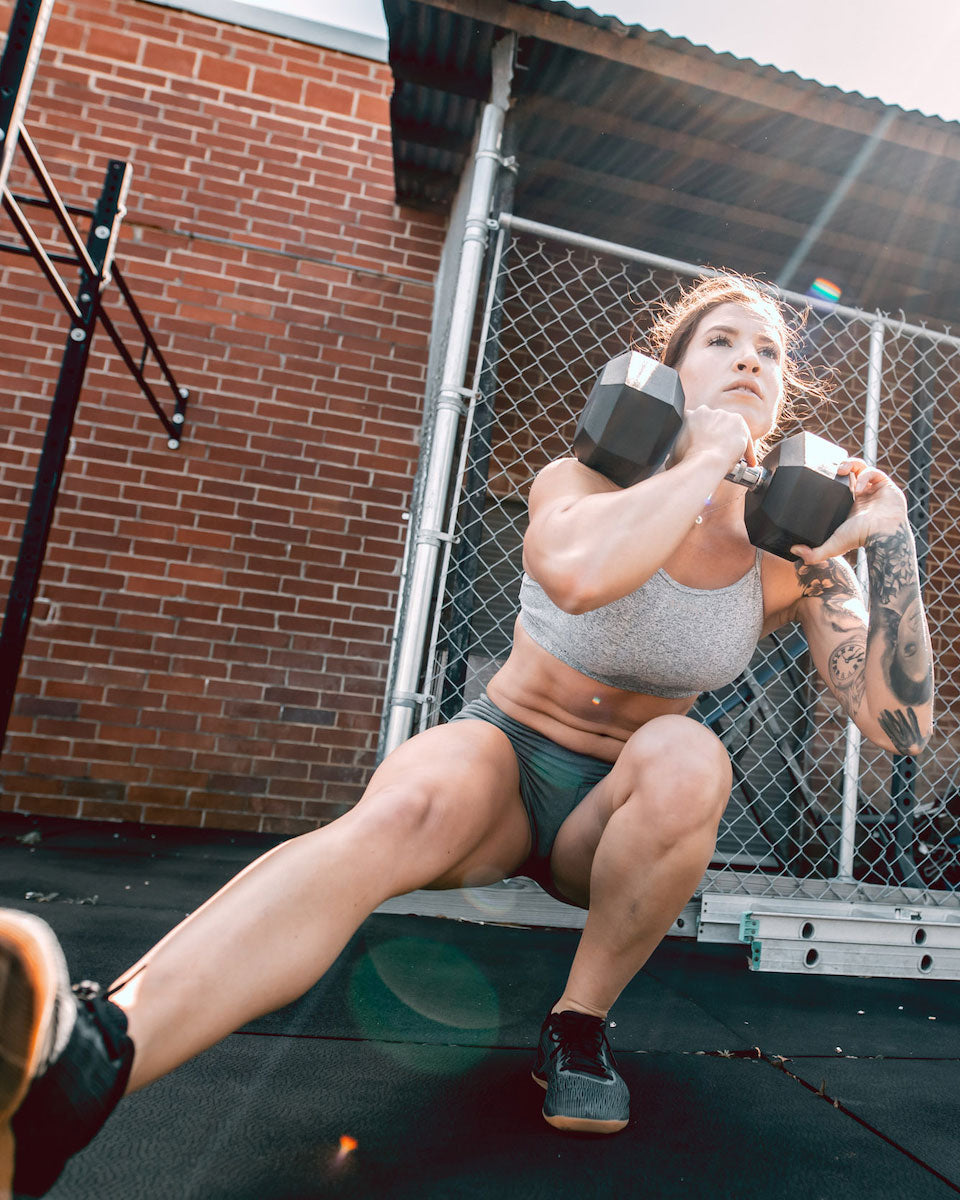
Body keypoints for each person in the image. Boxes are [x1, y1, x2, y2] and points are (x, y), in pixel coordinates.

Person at [0, 273, 935, 1196]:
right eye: (723, 342)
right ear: (668, 374)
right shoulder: (585, 477)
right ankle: (86, 1067)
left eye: (771, 351)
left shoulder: (795, 556)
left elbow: (898, 722)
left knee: (691, 756)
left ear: (786, 398)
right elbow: (577, 577)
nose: (751, 359)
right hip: (500, 759)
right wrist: (703, 458)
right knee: (397, 811)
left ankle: (578, 1024)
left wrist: (886, 538)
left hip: (616, 818)